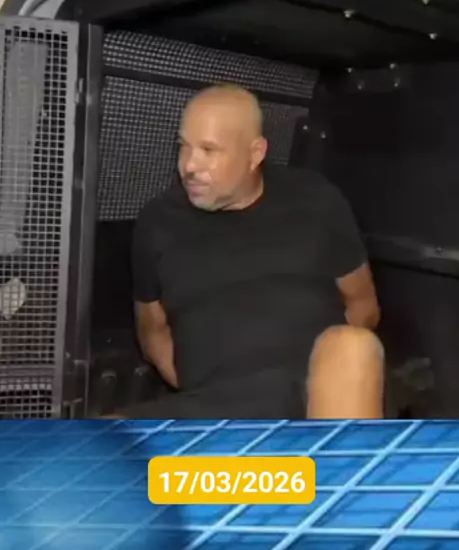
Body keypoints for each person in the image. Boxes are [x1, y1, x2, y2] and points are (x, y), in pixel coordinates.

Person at [120, 83, 383, 419]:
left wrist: (331, 381)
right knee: (89, 443)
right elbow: (152, 329)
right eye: (183, 147)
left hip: (312, 401)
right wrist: (194, 384)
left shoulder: (316, 200)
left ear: (255, 153)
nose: (189, 165)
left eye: (209, 150)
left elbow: (363, 305)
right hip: (212, 408)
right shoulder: (158, 221)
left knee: (353, 347)